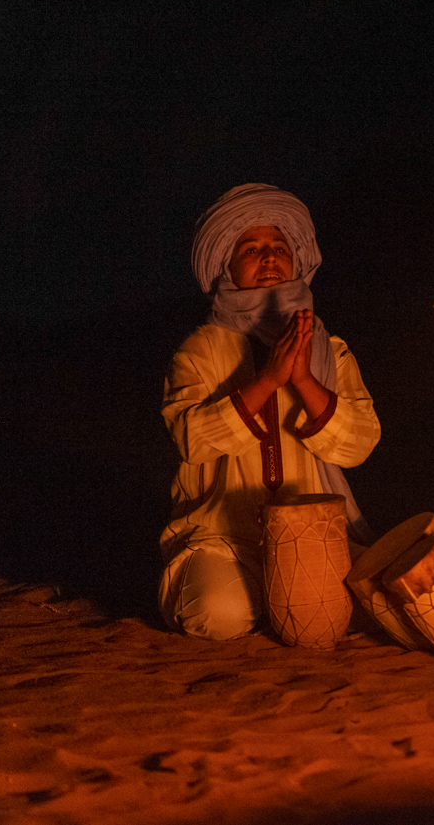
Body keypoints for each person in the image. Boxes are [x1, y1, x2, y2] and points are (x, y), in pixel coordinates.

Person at [159, 183, 381, 640]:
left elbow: (360, 443)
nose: (269, 258)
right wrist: (267, 382)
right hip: (225, 536)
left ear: (296, 261)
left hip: (314, 534)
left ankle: (279, 597)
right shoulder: (201, 350)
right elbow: (192, 439)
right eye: (252, 248)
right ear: (226, 265)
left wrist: (302, 380)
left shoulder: (328, 349)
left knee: (380, 600)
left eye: (279, 247)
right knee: (218, 614)